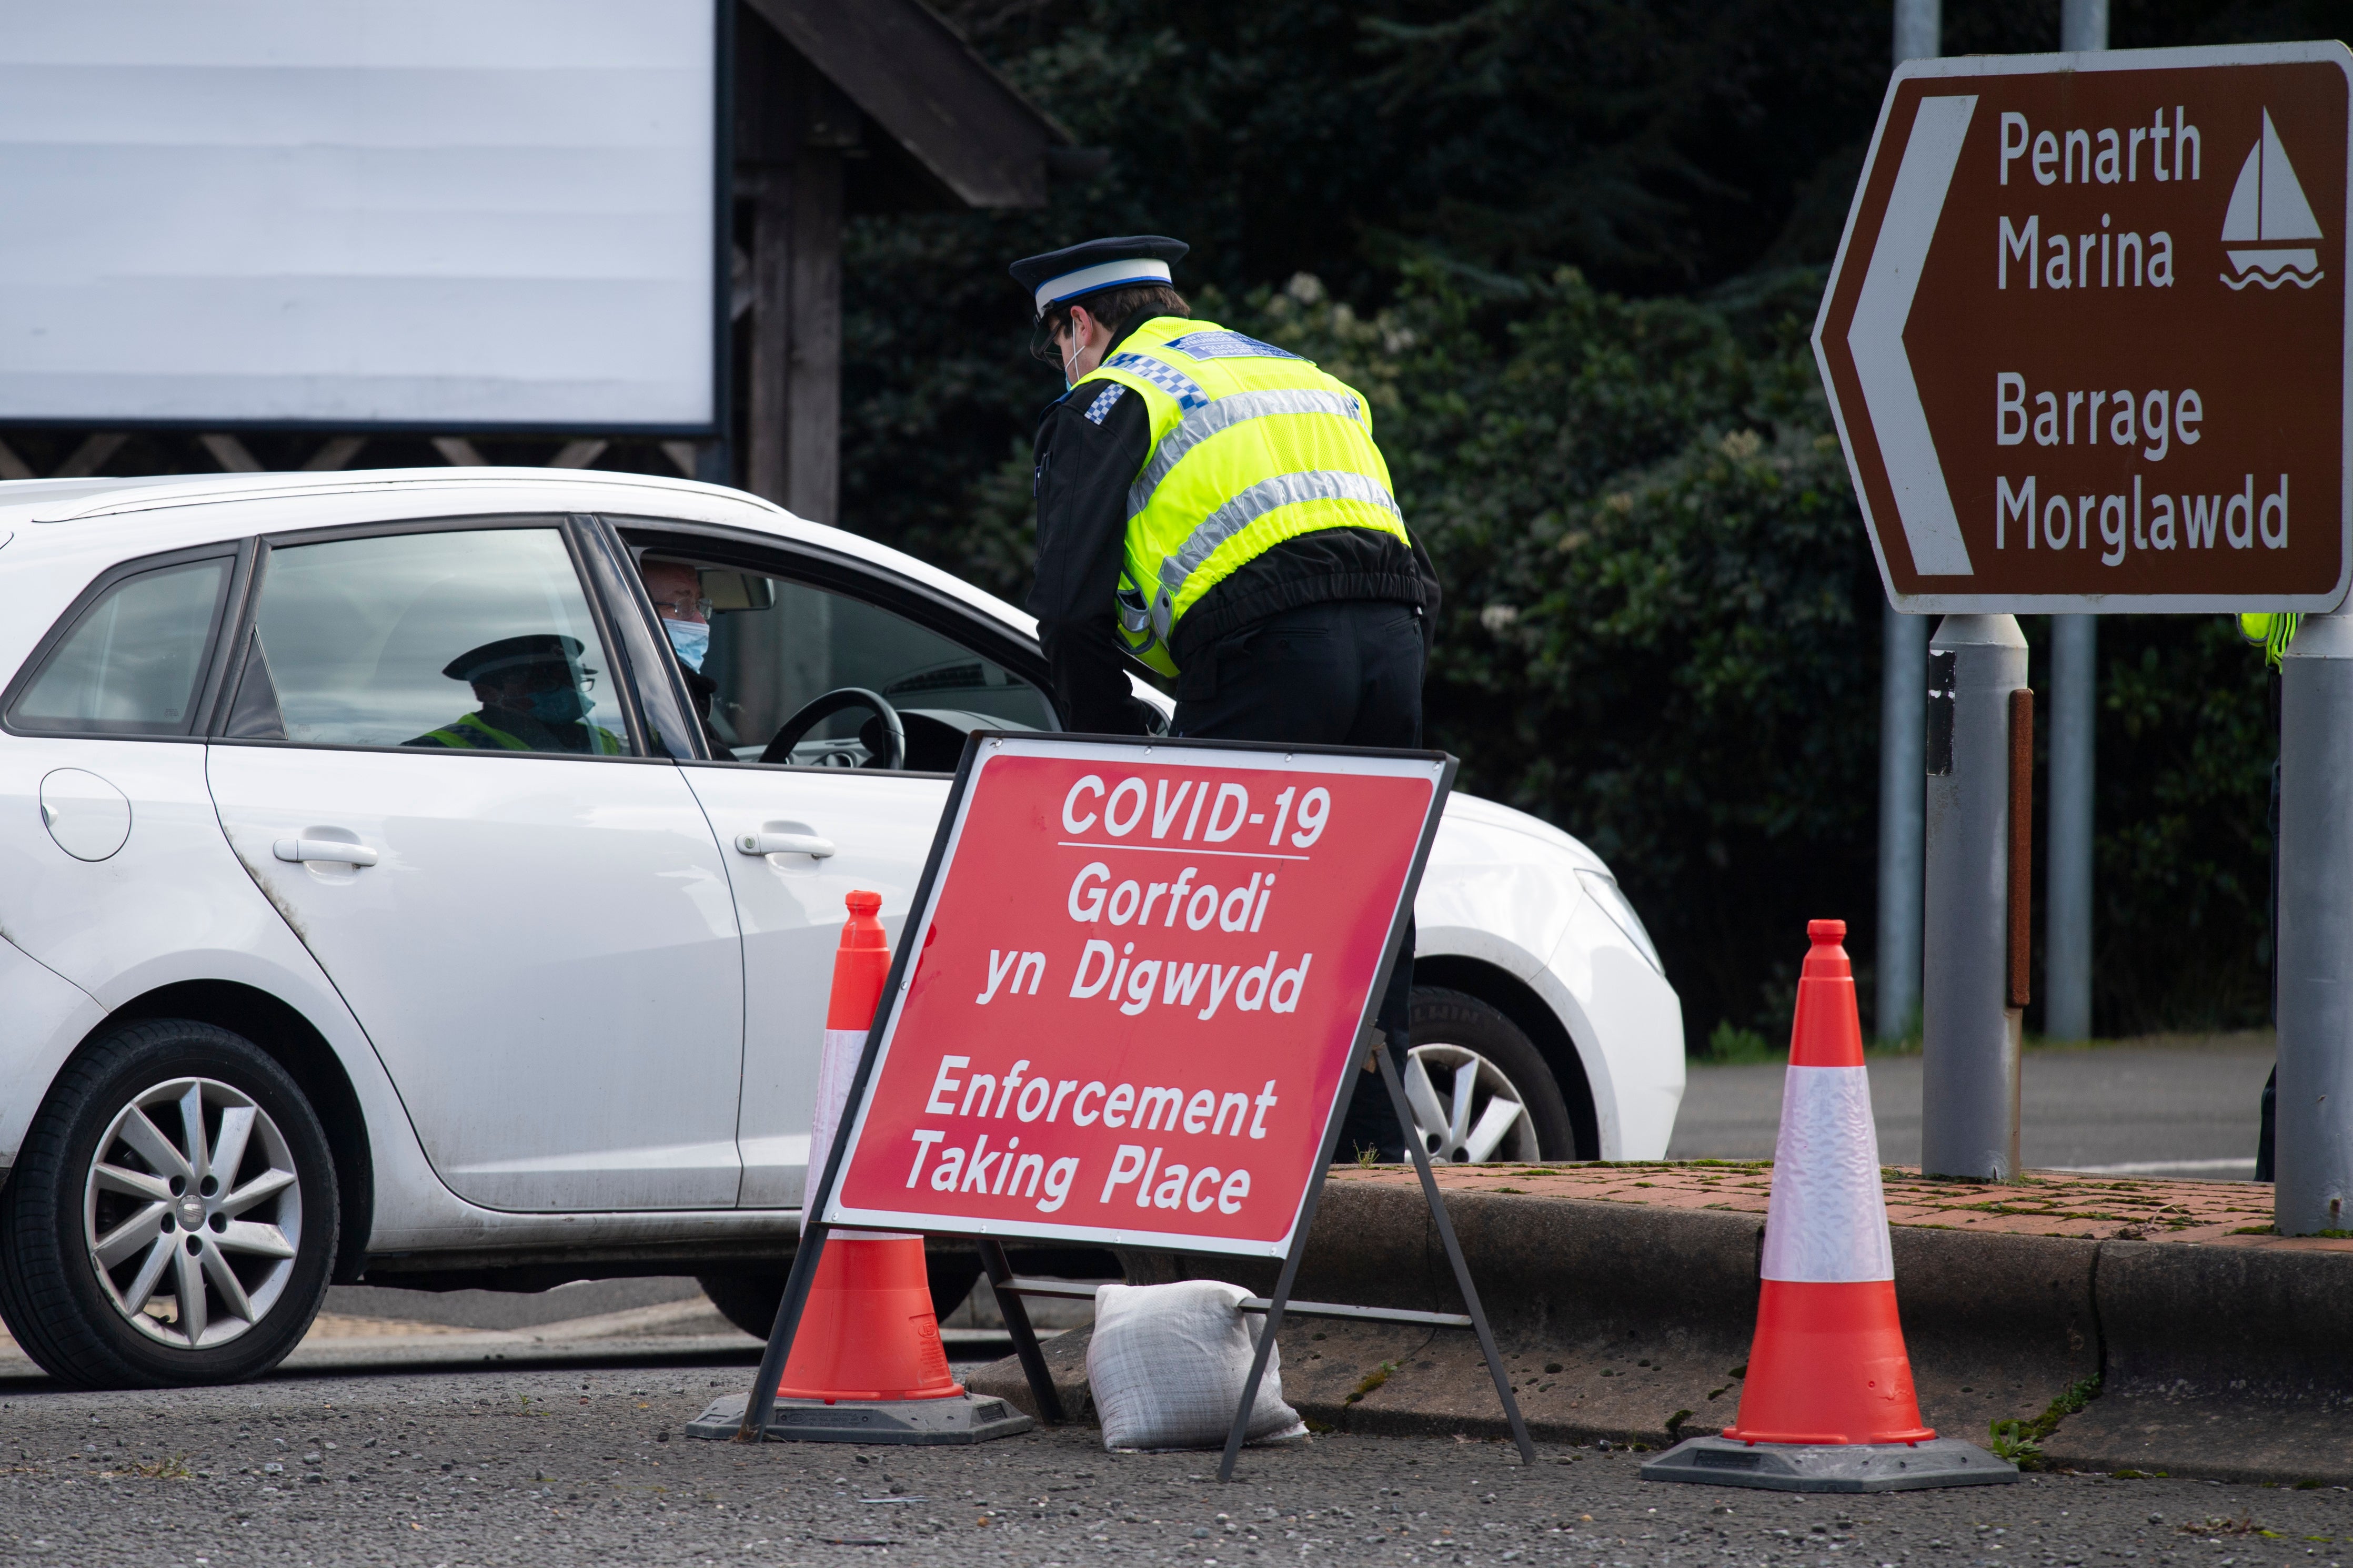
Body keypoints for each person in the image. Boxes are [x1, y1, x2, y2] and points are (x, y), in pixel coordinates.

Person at [1012, 234, 1442, 1162]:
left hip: (1268, 651)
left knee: (1220, 914)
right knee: (1367, 895)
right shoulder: (1302, 375)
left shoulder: (1115, 393)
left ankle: (1222, 1170)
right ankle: (1371, 1154)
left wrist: (1104, 740)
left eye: (1056, 342)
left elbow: (1069, 608)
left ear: (1079, 323)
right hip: (1394, 635)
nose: (1061, 360)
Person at [407, 634, 626, 754]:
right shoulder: (436, 750)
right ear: (487, 693)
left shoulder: (611, 742)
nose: (567, 690)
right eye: (543, 681)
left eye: (572, 679)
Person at [641, 555, 732, 755]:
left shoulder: (680, 707)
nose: (702, 623)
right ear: (633, 609)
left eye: (697, 604)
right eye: (682, 606)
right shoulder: (653, 710)